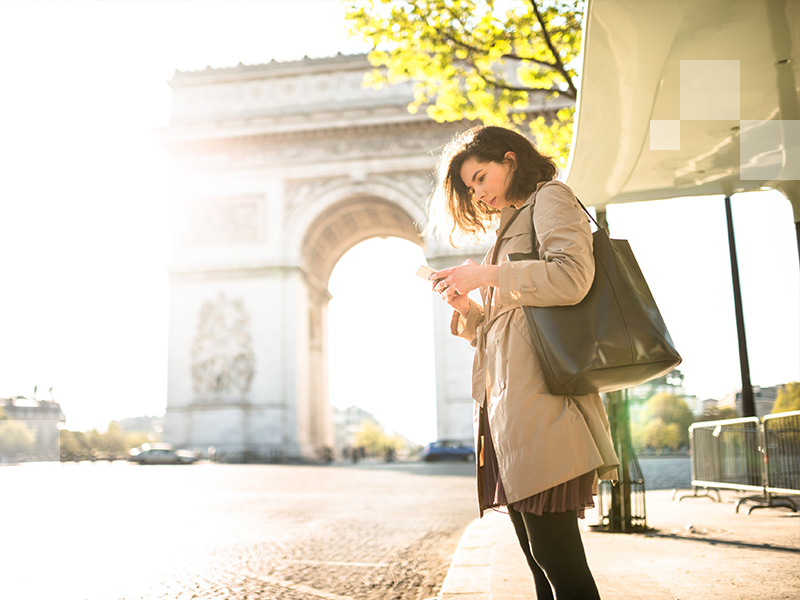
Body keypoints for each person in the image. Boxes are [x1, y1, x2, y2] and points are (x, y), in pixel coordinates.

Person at [428, 125, 620, 600]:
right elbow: (507, 323)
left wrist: (487, 273)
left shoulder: (551, 198)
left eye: (480, 177)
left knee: (559, 559)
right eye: (470, 187)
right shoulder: (507, 227)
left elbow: (572, 279)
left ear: (510, 160)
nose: (478, 193)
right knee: (539, 561)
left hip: (543, 406)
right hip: (507, 410)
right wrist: (469, 308)